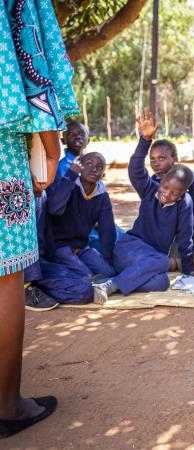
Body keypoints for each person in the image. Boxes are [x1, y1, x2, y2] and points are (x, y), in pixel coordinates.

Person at [0, 0, 79, 438]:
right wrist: (50, 146)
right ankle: (8, 405)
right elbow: (30, 57)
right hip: (2, 144)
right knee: (6, 273)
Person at [92, 111, 194, 303]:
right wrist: (145, 139)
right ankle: (113, 284)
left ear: (182, 194)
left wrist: (190, 270)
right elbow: (135, 169)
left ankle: (111, 283)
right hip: (128, 250)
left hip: (149, 259)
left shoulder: (185, 205)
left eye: (174, 193)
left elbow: (185, 239)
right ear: (162, 179)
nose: (166, 194)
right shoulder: (150, 189)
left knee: (162, 281)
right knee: (163, 262)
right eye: (165, 187)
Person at [147, 139, 194, 270]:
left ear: (175, 158)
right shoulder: (154, 181)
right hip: (173, 235)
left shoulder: (187, 178)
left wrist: (181, 248)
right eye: (152, 159)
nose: (156, 164)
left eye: (161, 158)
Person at [47, 152, 116, 279]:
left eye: (99, 167)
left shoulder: (102, 197)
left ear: (103, 175)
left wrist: (108, 260)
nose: (94, 169)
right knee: (86, 275)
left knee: (108, 273)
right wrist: (71, 174)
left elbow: (108, 232)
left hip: (81, 247)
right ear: (80, 168)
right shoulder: (69, 185)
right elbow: (53, 209)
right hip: (59, 246)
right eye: (88, 164)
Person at [24, 187, 93, 309]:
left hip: (39, 264)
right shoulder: (11, 192)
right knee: (83, 290)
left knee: (86, 286)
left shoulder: (40, 193)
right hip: (17, 272)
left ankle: (39, 286)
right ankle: (23, 290)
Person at [45, 121, 89, 195]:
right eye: (71, 134)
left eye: (81, 133)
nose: (78, 137)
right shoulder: (60, 166)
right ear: (63, 141)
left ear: (88, 140)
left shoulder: (91, 162)